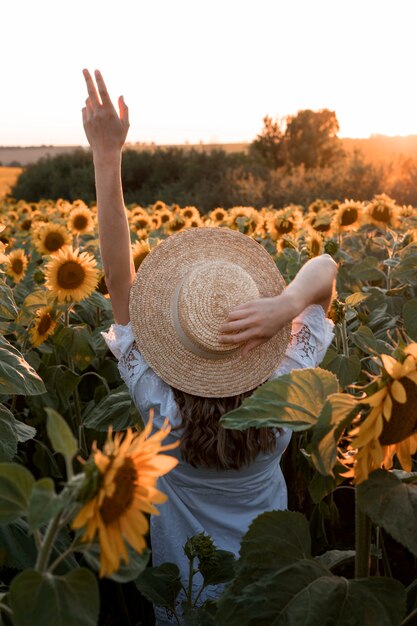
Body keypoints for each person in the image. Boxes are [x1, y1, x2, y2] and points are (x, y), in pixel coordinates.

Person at [82, 69, 337, 625]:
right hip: (266, 596)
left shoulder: (159, 406)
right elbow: (326, 270)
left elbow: (118, 275)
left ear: (173, 339)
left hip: (186, 602)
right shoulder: (283, 395)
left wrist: (107, 155)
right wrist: (286, 305)